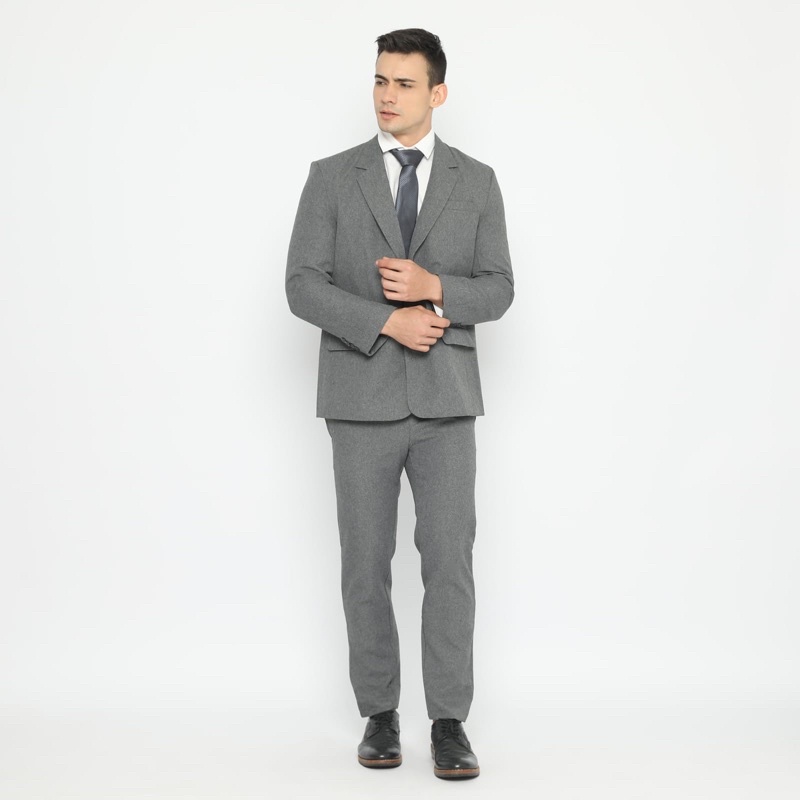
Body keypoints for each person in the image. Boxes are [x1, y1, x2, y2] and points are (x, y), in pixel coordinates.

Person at [285, 27, 513, 780]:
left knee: (449, 564)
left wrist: (433, 288)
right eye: (380, 80)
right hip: (359, 400)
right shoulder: (331, 176)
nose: (387, 95)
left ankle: (449, 723)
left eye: (405, 83)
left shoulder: (477, 181)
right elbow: (302, 285)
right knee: (365, 563)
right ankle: (379, 713)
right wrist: (387, 320)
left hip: (447, 404)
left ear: (437, 93)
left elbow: (499, 289)